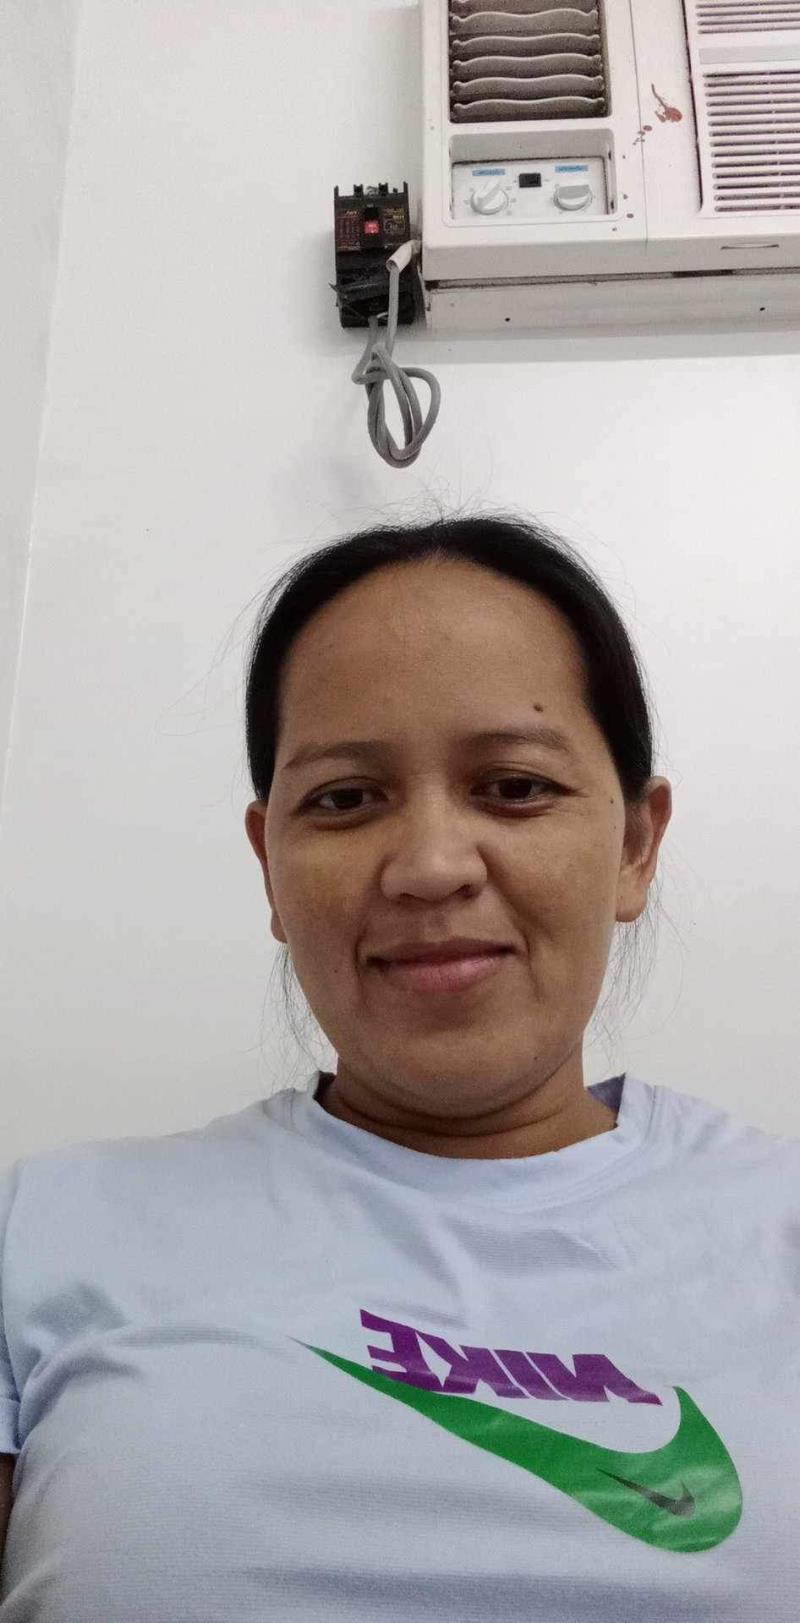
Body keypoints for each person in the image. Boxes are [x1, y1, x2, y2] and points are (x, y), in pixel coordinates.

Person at [1, 511, 798, 1622]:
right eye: (344, 799)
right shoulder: (42, 1229)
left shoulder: (776, 1229)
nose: (428, 865)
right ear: (270, 868)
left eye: (513, 786)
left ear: (634, 843)